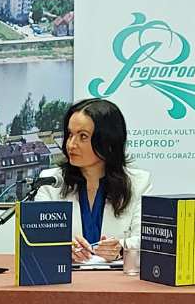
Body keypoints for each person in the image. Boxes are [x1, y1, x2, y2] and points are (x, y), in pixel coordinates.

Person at [34, 97, 151, 265]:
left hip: (116, 279)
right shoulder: (51, 182)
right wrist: (63, 248)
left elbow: (147, 241)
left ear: (108, 141)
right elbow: (38, 239)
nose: (71, 144)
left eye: (83, 136)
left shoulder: (139, 183)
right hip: (67, 277)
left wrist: (120, 248)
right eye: (70, 135)